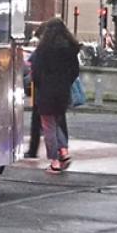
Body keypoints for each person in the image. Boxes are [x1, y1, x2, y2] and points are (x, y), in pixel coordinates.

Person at [31, 18, 80, 174]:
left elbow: (36, 73)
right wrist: (65, 83)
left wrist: (40, 85)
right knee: (57, 122)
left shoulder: (43, 50)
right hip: (63, 91)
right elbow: (75, 72)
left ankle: (54, 162)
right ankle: (64, 152)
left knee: (48, 126)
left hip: (46, 91)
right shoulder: (71, 49)